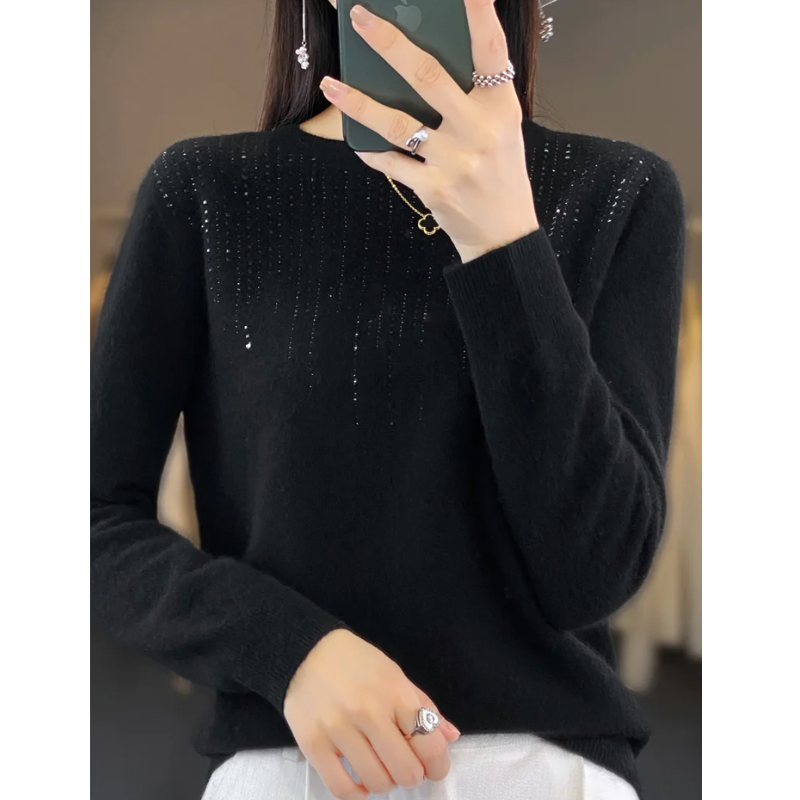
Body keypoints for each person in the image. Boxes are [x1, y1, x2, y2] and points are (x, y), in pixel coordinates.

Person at [90, 0, 685, 797]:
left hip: (543, 771)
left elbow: (594, 572)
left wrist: (505, 242)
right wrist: (289, 651)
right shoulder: (206, 193)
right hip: (299, 768)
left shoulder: (618, 193)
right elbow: (92, 519)